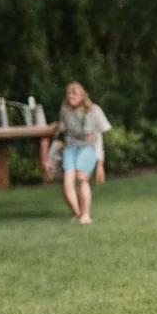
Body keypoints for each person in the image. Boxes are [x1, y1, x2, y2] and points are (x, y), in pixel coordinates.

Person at [52, 81, 108, 224]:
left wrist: (100, 163)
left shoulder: (93, 111)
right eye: (68, 94)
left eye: (74, 94)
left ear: (82, 96)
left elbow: (99, 137)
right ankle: (78, 212)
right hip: (71, 147)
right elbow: (61, 135)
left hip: (88, 147)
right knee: (67, 182)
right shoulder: (65, 111)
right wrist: (52, 157)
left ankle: (86, 214)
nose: (71, 97)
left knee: (82, 177)